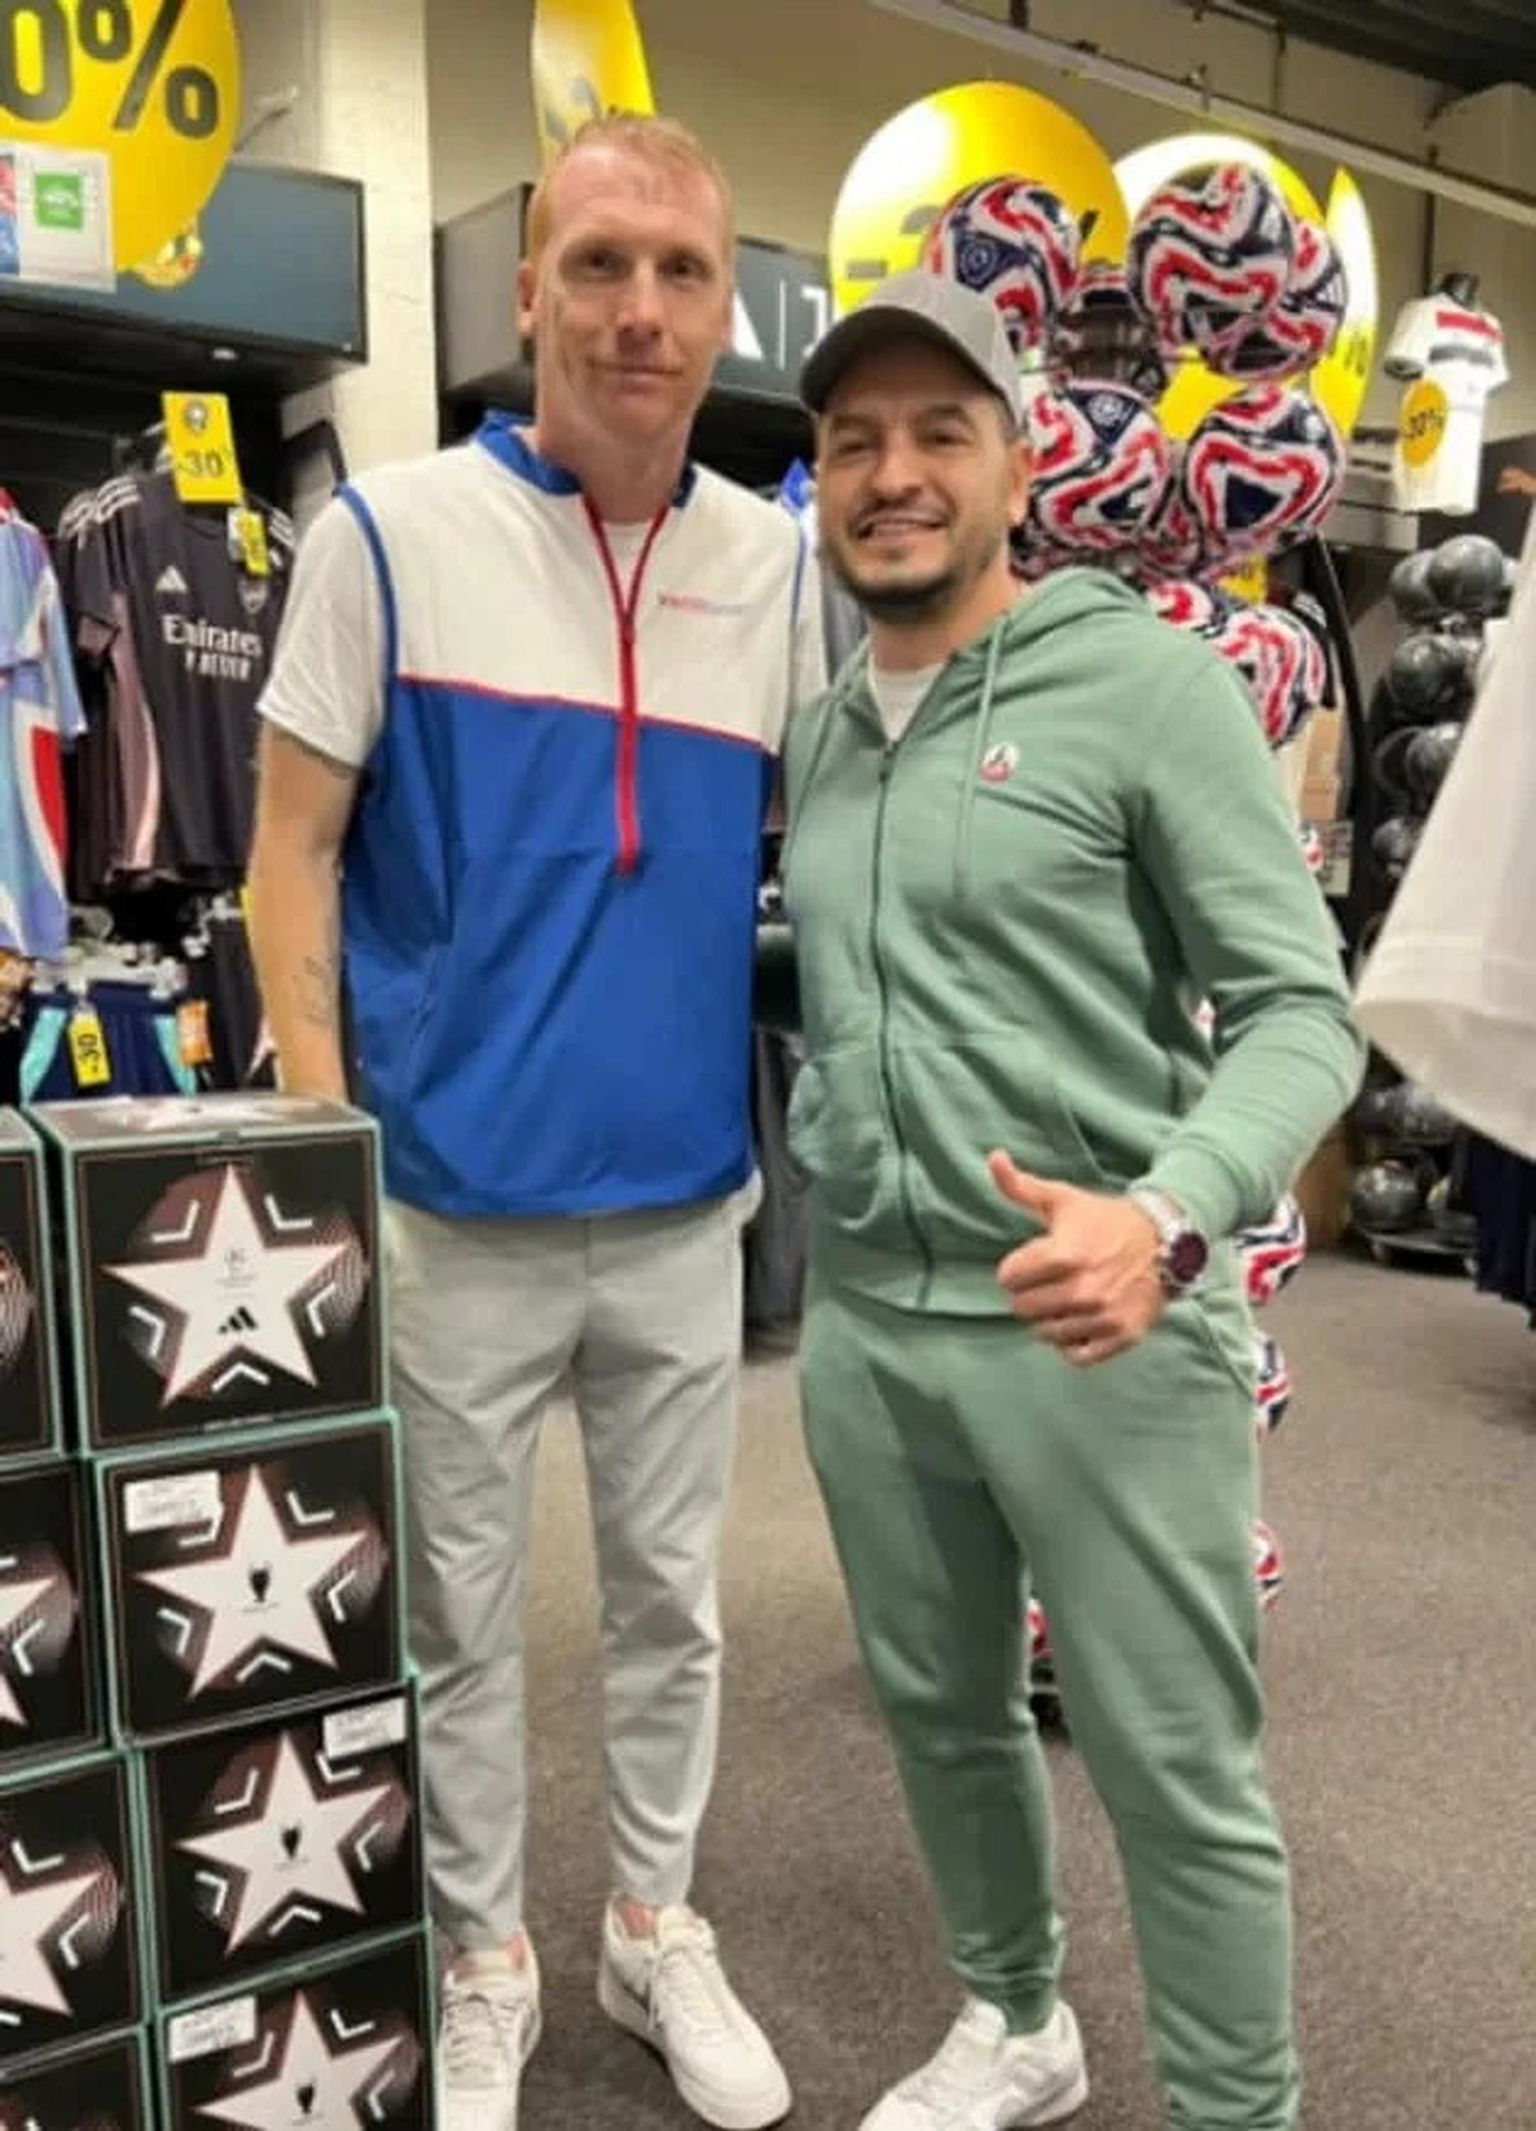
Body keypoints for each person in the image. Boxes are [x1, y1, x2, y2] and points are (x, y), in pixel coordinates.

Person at [248, 113, 822, 2131]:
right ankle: (483, 1953)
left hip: (682, 1205)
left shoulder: (780, 567)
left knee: (675, 1610)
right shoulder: (383, 535)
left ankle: (650, 1926)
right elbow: (288, 857)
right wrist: (321, 1163)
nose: (640, 311)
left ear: (723, 305)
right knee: (461, 1624)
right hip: (446, 1207)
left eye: (680, 271)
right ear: (527, 293)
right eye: (599, 264)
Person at [779, 271, 1364, 2131]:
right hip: (873, 1325)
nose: (894, 474)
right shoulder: (822, 733)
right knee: (944, 1719)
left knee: (1176, 1768)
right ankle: (1018, 2021)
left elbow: (1305, 1015)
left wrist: (1170, 1215)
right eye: (855, 441)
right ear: (820, 479)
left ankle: (1237, 2115)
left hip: (1102, 1322)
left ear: (1019, 468)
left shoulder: (1146, 687)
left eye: (939, 433)